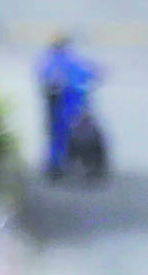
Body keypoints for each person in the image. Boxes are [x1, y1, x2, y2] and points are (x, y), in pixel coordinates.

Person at [36, 34, 100, 178]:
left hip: (57, 105)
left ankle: (56, 164)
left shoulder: (49, 61)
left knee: (56, 136)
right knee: (66, 134)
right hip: (69, 106)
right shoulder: (70, 61)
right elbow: (91, 73)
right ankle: (63, 164)